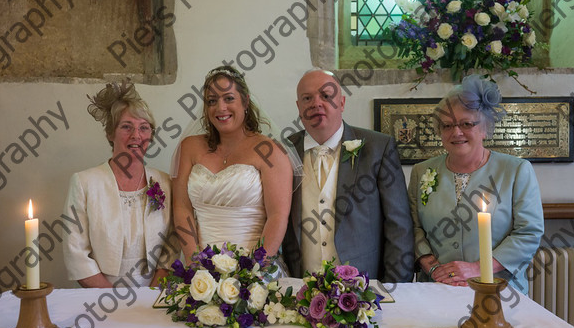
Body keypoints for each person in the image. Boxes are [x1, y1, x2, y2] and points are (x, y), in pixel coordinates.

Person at [408, 75, 544, 294]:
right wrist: (433, 268)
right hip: (438, 288)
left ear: (485, 128)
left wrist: (475, 269)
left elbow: (528, 233)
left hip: (498, 290)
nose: (456, 132)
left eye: (466, 124)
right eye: (447, 125)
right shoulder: (421, 172)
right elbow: (413, 229)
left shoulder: (516, 171)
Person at [282, 69, 414, 282]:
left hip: (364, 290)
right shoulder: (285, 151)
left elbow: (399, 226)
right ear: (299, 107)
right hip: (300, 288)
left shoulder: (378, 148)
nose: (316, 103)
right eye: (307, 98)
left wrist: (397, 291)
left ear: (341, 103)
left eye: (326, 96)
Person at [172, 66, 292, 274]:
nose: (220, 108)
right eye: (212, 101)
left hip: (255, 271)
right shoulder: (189, 147)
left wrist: (252, 271)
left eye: (228, 98)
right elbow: (182, 209)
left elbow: (278, 216)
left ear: (245, 102)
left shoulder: (269, 151)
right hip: (202, 271)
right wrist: (195, 264)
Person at [63, 80, 178, 288]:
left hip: (154, 295)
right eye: (126, 127)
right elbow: (76, 252)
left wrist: (151, 293)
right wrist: (113, 301)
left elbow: (171, 244)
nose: (136, 135)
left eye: (144, 128)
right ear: (110, 133)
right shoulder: (84, 182)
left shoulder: (165, 182)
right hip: (101, 298)